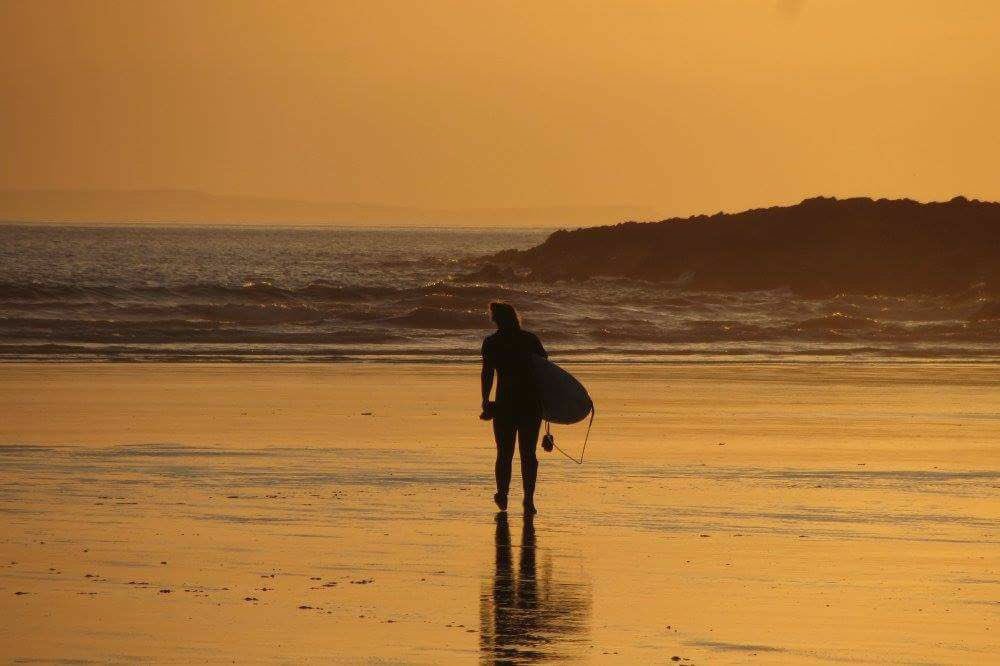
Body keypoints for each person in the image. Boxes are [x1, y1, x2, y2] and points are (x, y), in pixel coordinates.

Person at [480, 302, 547, 514]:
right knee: (528, 453)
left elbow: (488, 373)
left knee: (504, 453)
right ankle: (528, 499)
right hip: (530, 403)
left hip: (505, 403)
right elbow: (545, 369)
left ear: (496, 319)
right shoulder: (530, 340)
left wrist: (485, 400)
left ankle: (502, 494)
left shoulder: (492, 342)